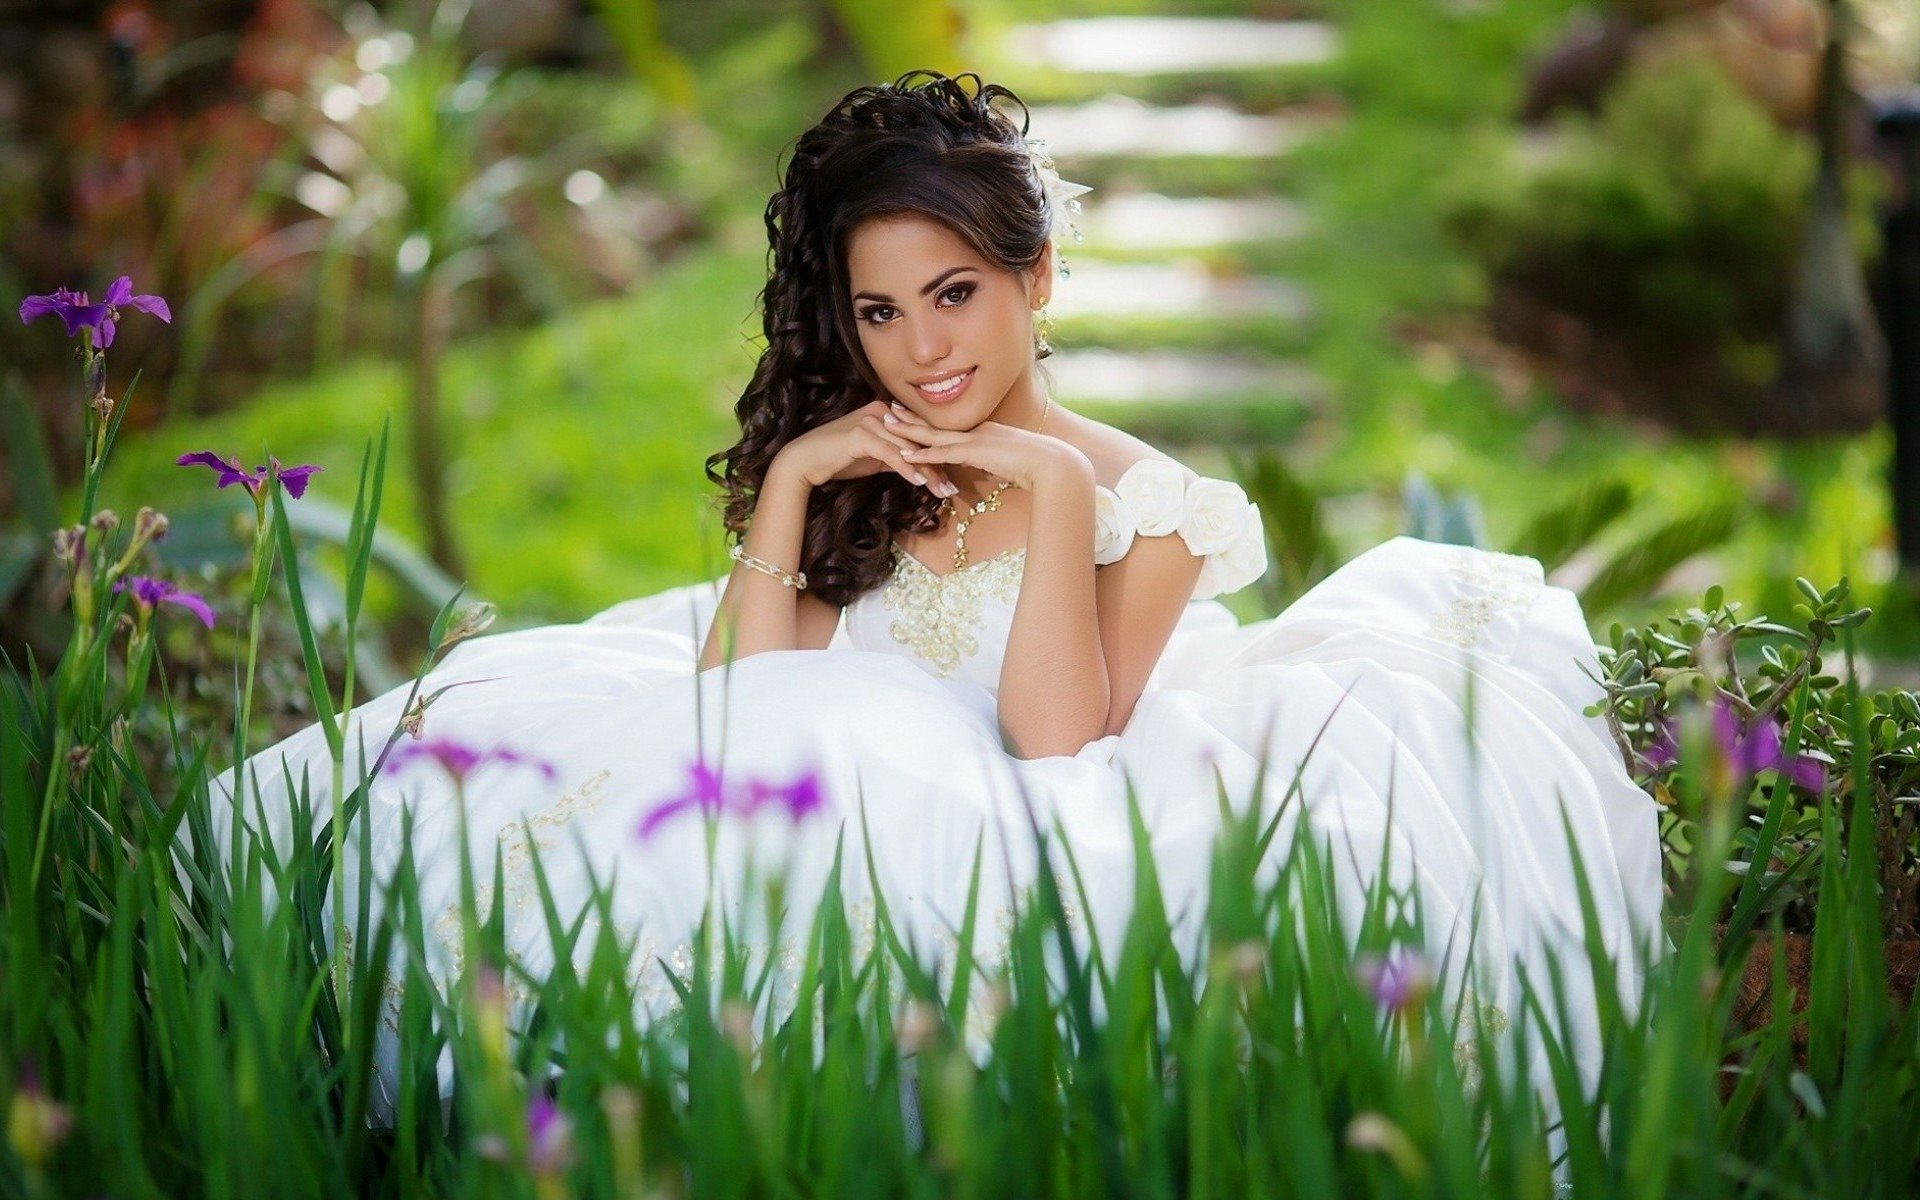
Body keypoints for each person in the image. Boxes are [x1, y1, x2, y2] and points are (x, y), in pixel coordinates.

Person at [202, 70, 1666, 1152]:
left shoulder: (1159, 505)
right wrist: (794, 481)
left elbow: (1053, 737)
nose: (921, 351)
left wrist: (1046, 485)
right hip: (820, 753)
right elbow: (728, 703)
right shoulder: (871, 457)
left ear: (1037, 274)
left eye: (956, 293)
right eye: (881, 313)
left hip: (999, 789)